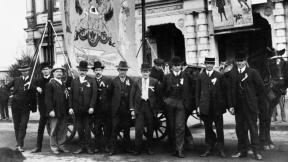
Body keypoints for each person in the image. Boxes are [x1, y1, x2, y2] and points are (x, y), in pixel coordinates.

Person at [228, 53, 264, 160]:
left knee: (253, 129)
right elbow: (230, 91)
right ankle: (241, 151)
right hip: (238, 107)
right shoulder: (233, 74)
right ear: (236, 62)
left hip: (250, 107)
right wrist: (231, 105)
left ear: (245, 61)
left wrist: (253, 100)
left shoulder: (252, 72)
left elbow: (261, 88)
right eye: (238, 61)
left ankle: (256, 152)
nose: (239, 63)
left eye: (241, 61)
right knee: (240, 130)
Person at [162, 56, 192, 158]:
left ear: (181, 66)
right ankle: (174, 148)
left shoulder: (186, 76)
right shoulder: (167, 77)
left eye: (179, 65)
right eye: (175, 66)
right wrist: (166, 101)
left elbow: (190, 90)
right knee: (171, 127)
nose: (177, 67)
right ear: (172, 67)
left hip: (181, 104)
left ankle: (180, 150)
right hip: (170, 103)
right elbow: (162, 91)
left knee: (180, 127)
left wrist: (186, 103)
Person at [196, 57, 226, 158]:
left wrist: (223, 105)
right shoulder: (200, 76)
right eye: (207, 63)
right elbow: (197, 93)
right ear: (205, 64)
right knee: (207, 129)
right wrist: (198, 106)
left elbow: (223, 91)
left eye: (211, 63)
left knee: (219, 129)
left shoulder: (219, 75)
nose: (209, 65)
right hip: (205, 107)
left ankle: (221, 149)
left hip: (217, 107)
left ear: (213, 64)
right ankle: (208, 148)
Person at [5, 63, 37, 152]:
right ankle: (19, 145)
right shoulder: (16, 80)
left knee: (23, 125)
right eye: (23, 71)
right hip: (15, 106)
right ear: (21, 72)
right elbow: (6, 87)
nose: (25, 72)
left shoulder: (32, 80)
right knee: (16, 126)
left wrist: (34, 87)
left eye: (26, 71)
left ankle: (19, 144)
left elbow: (36, 90)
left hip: (26, 107)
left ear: (29, 71)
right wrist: (10, 96)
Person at [130, 63, 160, 155]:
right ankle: (137, 149)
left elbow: (158, 96)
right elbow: (131, 96)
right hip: (140, 107)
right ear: (141, 72)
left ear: (149, 72)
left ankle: (149, 148)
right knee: (138, 129)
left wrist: (156, 109)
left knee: (150, 129)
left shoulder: (154, 82)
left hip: (149, 107)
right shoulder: (137, 82)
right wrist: (132, 109)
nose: (145, 73)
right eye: (143, 72)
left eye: (147, 72)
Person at [69, 61, 97, 154]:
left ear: (87, 71)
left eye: (84, 70)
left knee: (87, 128)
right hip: (77, 109)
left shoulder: (91, 80)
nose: (82, 72)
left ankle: (89, 147)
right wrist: (70, 107)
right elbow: (71, 95)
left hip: (87, 110)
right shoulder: (74, 81)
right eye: (81, 70)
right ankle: (81, 147)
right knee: (79, 129)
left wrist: (92, 107)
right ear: (78, 70)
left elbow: (94, 95)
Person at [109, 61, 134, 156]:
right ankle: (112, 149)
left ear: (127, 71)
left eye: (124, 70)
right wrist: (113, 107)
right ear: (118, 70)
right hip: (116, 110)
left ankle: (127, 148)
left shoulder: (130, 81)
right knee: (114, 129)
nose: (122, 72)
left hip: (126, 110)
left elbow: (132, 95)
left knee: (127, 130)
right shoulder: (114, 81)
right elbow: (110, 95)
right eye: (121, 70)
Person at [45, 64, 70, 155]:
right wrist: (51, 110)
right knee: (54, 130)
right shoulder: (50, 84)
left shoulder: (63, 83)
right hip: (54, 111)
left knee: (63, 130)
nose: (59, 73)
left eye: (61, 71)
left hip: (63, 111)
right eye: (57, 71)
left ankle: (61, 146)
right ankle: (54, 147)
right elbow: (48, 99)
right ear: (53, 73)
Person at [31, 62, 53, 153]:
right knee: (40, 129)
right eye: (43, 69)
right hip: (43, 109)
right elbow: (30, 86)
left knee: (54, 128)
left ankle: (56, 147)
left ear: (50, 70)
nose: (45, 71)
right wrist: (36, 88)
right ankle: (38, 147)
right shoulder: (38, 80)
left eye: (47, 69)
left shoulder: (53, 80)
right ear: (41, 71)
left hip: (52, 108)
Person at [92, 61, 112, 153]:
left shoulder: (107, 80)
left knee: (107, 129)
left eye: (99, 70)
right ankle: (97, 147)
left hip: (106, 109)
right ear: (94, 71)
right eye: (96, 70)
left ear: (102, 70)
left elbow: (111, 94)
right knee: (97, 129)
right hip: (96, 110)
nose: (98, 72)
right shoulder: (92, 81)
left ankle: (107, 146)